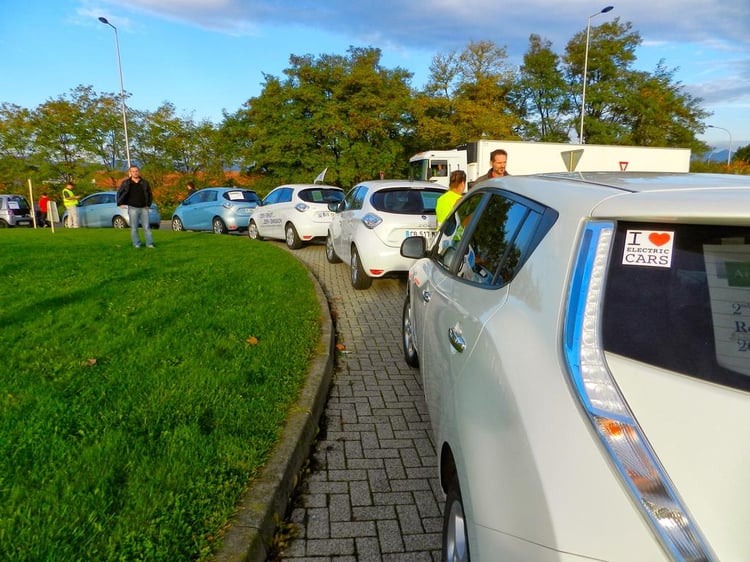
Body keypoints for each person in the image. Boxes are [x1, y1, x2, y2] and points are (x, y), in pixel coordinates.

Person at [117, 165, 155, 248]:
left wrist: (148, 205)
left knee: (147, 227)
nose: (135, 173)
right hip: (132, 208)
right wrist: (120, 203)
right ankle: (136, 244)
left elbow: (149, 194)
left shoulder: (144, 182)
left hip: (144, 208)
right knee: (134, 227)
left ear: (139, 172)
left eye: (136, 171)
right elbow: (120, 192)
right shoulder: (126, 183)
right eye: (133, 171)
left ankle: (150, 244)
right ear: (130, 173)